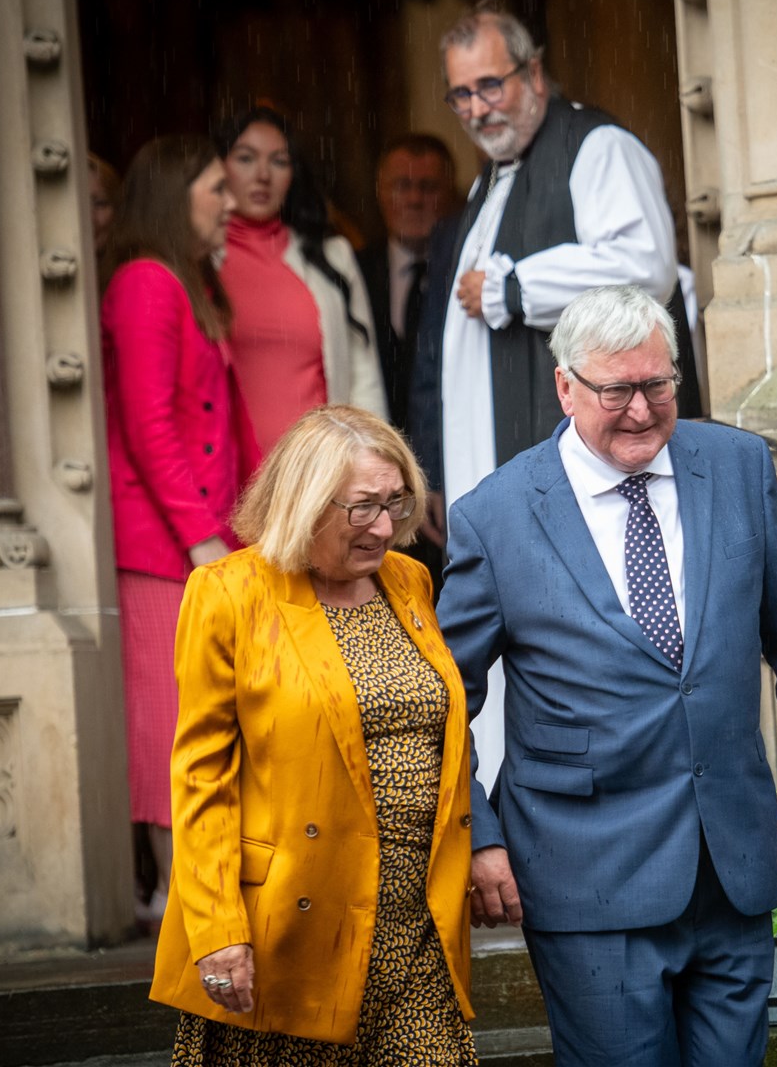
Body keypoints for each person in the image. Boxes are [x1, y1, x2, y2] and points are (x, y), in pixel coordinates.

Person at [437, 285, 777, 1066]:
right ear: (565, 386)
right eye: (616, 391)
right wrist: (480, 837)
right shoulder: (493, 517)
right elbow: (442, 704)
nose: (641, 410)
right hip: (584, 874)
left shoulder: (737, 468)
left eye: (658, 386)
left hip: (730, 870)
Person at [152, 405, 478, 1065]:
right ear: (304, 502)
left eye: (396, 502)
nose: (385, 527)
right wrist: (217, 930)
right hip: (289, 928)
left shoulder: (409, 582)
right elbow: (201, 778)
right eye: (363, 508)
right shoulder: (229, 594)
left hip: (416, 922)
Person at [412, 2, 702, 520]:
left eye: (490, 86)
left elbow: (645, 267)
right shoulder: (491, 177)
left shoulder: (597, 145)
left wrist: (517, 288)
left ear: (535, 74)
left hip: (583, 465)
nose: (478, 109)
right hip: (493, 470)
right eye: (461, 95)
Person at [100, 134, 260, 928]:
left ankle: (193, 891)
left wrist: (266, 516)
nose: (230, 203)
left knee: (205, 712)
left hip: (202, 540)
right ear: (174, 199)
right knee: (172, 718)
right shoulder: (143, 283)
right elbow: (147, 426)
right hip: (164, 547)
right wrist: (202, 536)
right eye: (215, 190)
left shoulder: (187, 282)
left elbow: (231, 424)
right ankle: (174, 896)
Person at [216, 106, 386, 452]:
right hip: (225, 480)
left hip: (319, 476)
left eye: (279, 161)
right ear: (218, 168)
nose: (262, 175)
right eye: (246, 158)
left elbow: (363, 376)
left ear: (294, 174)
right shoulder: (199, 261)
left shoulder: (332, 255)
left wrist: (372, 462)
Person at [357, 133, 456, 432]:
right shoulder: (354, 270)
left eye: (428, 188)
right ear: (379, 193)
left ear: (450, 193)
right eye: (402, 186)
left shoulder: (468, 275)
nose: (414, 199)